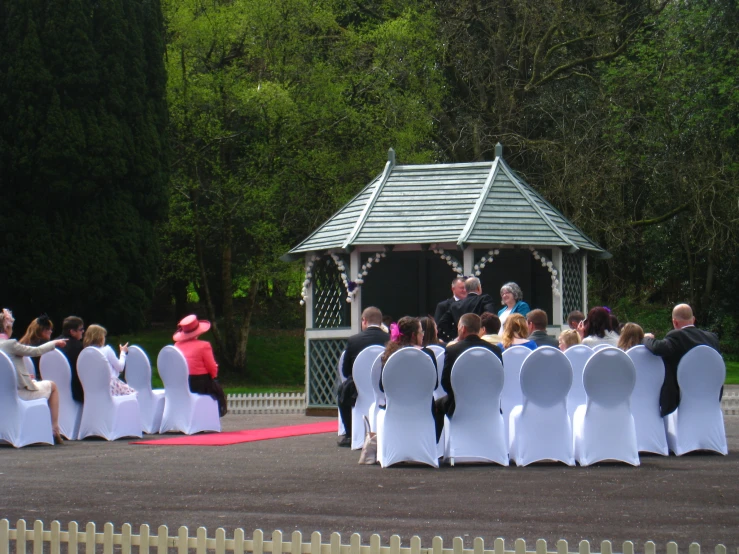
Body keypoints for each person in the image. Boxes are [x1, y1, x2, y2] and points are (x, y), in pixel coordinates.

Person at [0, 309, 67, 444]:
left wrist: (22, 377)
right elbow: (36, 351)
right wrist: (55, 343)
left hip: (3, 393)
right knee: (52, 386)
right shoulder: (10, 344)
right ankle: (54, 428)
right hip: (19, 393)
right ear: (7, 327)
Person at [643, 303, 721, 417]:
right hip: (710, 397)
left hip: (682, 399)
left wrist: (646, 338)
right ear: (693, 319)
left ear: (675, 322)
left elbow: (657, 348)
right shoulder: (712, 338)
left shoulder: (677, 336)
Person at [434, 313, 502, 441]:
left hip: (459, 404)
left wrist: (461, 395)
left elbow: (446, 382)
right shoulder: (495, 350)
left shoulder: (453, 350)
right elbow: (499, 380)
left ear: (463, 329)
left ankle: (436, 448)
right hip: (488, 403)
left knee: (436, 405)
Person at [337, 307, 390, 447]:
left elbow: (346, 370)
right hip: (384, 390)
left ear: (364, 321)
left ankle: (349, 433)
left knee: (342, 390)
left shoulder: (354, 341)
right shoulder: (390, 340)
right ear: (380, 322)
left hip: (359, 390)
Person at [172, 314, 228, 417]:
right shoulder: (204, 345)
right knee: (217, 391)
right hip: (199, 384)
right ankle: (210, 417)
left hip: (181, 383)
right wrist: (214, 375)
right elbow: (211, 367)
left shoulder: (176, 346)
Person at [380, 316, 438, 390]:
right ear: (413, 335)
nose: (423, 334)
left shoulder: (390, 353)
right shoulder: (428, 354)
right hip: (422, 401)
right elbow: (434, 385)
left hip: (396, 401)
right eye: (421, 332)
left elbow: (382, 386)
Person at [83, 325, 136, 397]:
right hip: (110, 386)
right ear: (100, 337)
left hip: (93, 387)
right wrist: (123, 353)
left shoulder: (85, 352)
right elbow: (120, 367)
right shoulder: (107, 350)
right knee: (134, 395)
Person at [55, 316, 85, 403]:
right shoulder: (78, 347)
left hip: (55, 390)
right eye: (81, 329)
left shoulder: (53, 344)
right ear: (72, 332)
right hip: (74, 392)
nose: (83, 331)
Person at [18, 314, 54, 380]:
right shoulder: (45, 346)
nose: (51, 331)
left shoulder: (21, 343)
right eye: (48, 329)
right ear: (40, 330)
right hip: (39, 381)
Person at [434, 277, 467, 342]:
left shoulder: (472, 304)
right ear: (453, 289)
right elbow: (438, 326)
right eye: (462, 288)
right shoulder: (443, 306)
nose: (464, 290)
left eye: (466, 288)